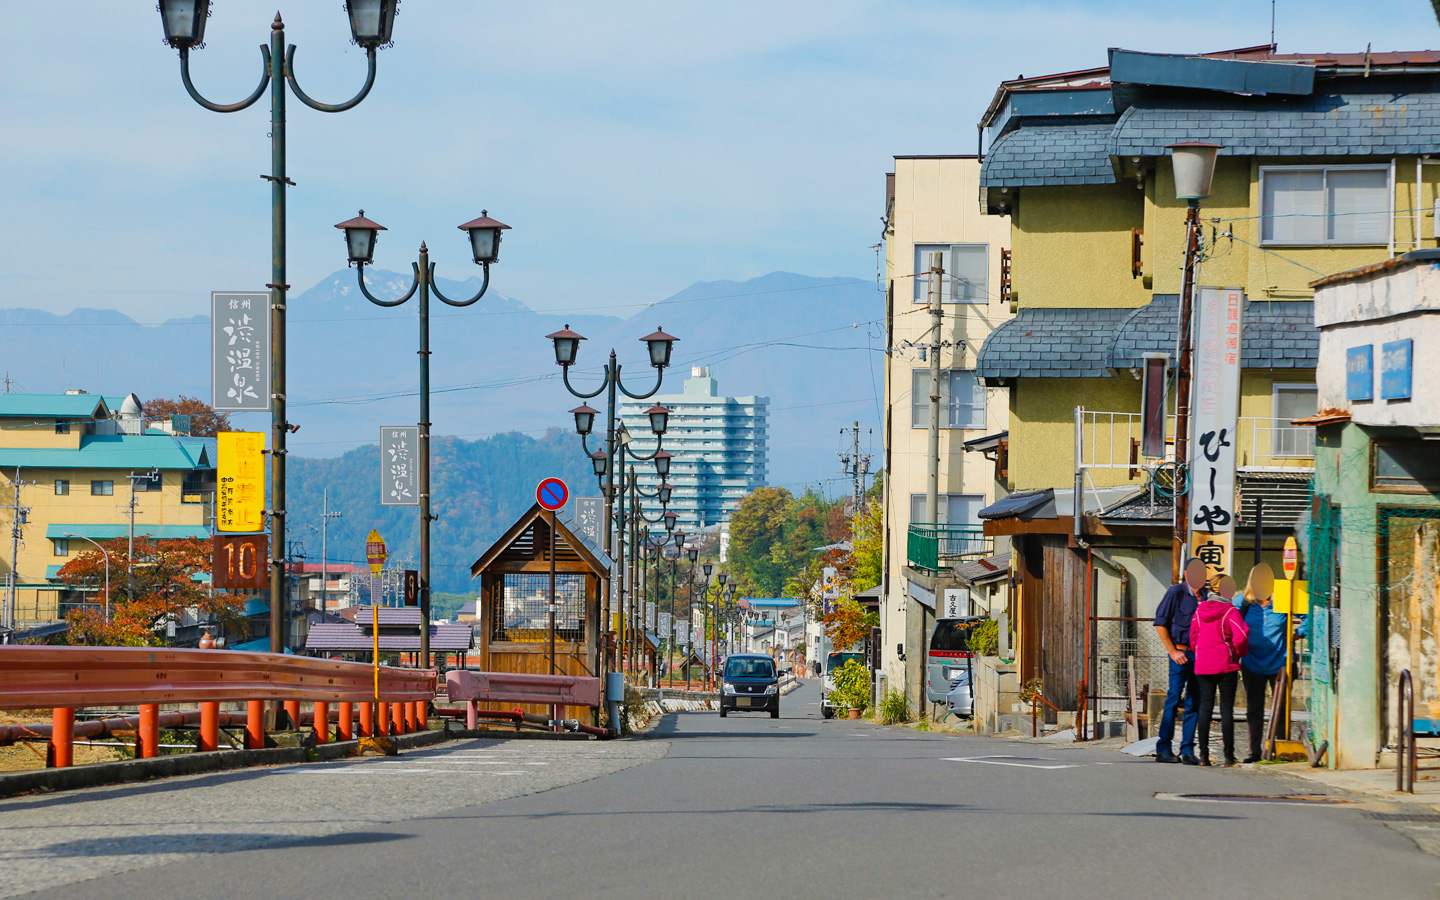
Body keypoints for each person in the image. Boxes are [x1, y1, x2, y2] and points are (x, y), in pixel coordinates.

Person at [1233, 563, 1304, 763]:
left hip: (1281, 662)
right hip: (1251, 661)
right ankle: (1254, 752)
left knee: (1281, 708)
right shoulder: (1242, 602)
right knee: (1254, 708)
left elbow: (1309, 616)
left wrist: (1295, 635)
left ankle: (1278, 748)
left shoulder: (1283, 599)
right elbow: (1228, 619)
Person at [1152, 558, 1210, 764]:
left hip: (1201, 656)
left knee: (1195, 702)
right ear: (1186, 574)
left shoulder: (1206, 597)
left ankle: (1187, 750)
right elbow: (1160, 623)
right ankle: (1164, 748)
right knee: (1174, 699)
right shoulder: (1175, 593)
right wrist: (1172, 651)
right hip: (1180, 654)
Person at [1191, 574, 1249, 766]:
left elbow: (1193, 637)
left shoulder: (1200, 611)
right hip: (1226, 665)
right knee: (1226, 710)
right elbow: (1241, 637)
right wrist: (1238, 654)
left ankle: (1203, 756)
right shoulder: (1230, 611)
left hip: (1204, 665)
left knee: (1204, 709)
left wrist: (1200, 653)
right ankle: (1228, 756)